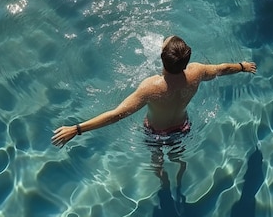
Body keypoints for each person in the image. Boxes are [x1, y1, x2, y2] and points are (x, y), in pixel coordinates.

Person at [51, 35, 257, 147]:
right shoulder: (197, 71)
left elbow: (117, 115)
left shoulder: (151, 87)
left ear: (161, 57)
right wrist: (242, 66)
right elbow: (222, 69)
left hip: (155, 133)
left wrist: (77, 129)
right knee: (178, 157)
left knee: (157, 161)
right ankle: (178, 176)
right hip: (183, 127)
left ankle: (163, 179)